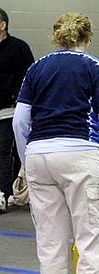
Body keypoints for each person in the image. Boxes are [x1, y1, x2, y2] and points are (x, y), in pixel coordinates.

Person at [12, 12, 99, 274]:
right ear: (87, 38)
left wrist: (27, 160)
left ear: (56, 37)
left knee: (51, 248)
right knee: (93, 245)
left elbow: (20, 121)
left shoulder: (36, 68)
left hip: (38, 158)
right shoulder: (93, 67)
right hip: (79, 155)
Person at [0, 8, 34, 213]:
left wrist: (18, 100)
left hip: (8, 110)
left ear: (2, 25)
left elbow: (29, 78)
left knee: (3, 152)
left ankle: (3, 194)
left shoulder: (19, 48)